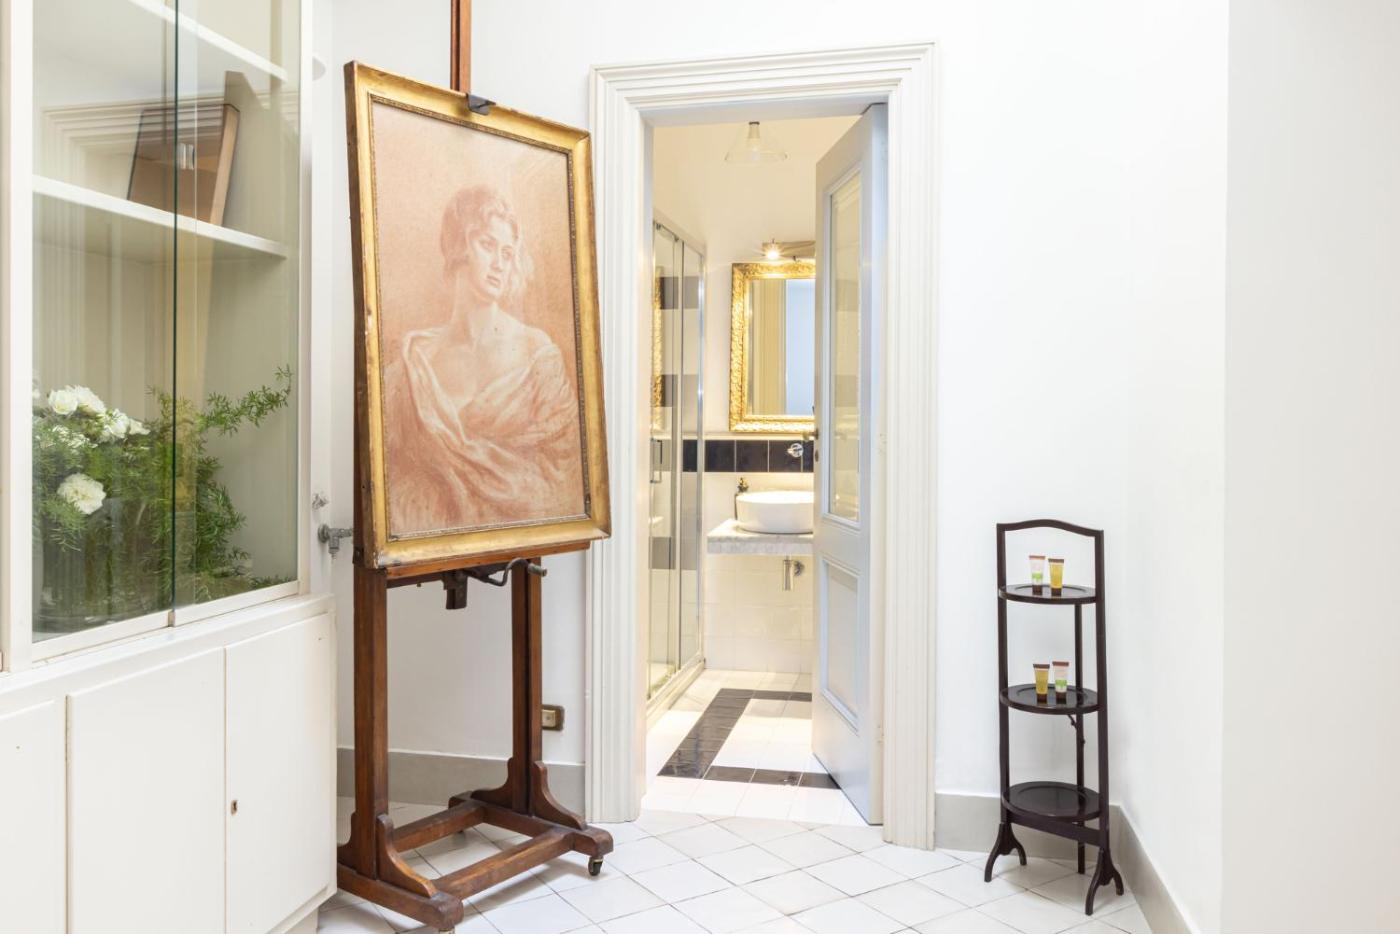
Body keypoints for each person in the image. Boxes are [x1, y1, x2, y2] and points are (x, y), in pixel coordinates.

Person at [383, 184, 584, 537]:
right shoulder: (414, 363)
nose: (499, 264)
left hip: (516, 546)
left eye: (507, 253)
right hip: (426, 543)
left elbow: (562, 478)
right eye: (487, 245)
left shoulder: (537, 355)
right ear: (459, 246)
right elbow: (391, 472)